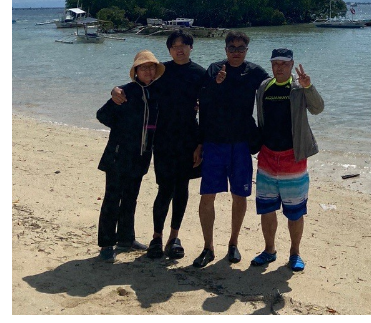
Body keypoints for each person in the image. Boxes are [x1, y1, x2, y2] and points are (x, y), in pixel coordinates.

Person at [110, 29, 206, 260]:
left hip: (188, 139)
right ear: (169, 50)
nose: (179, 49)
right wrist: (115, 90)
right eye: (174, 46)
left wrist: (200, 144)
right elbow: (138, 87)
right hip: (162, 139)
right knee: (164, 189)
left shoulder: (200, 74)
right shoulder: (161, 72)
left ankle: (174, 238)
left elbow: (207, 110)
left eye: (183, 45)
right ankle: (157, 237)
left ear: (191, 47)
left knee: (182, 189)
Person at [192, 31, 269, 267]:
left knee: (240, 195)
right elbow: (202, 104)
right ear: (225, 50)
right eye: (232, 48)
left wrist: (301, 89)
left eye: (240, 48)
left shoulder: (254, 72)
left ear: (247, 50)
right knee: (208, 196)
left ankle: (233, 243)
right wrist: (199, 142)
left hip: (241, 144)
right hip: (214, 142)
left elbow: (276, 88)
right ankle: (208, 247)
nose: (236, 52)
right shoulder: (214, 69)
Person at [251, 48, 324, 273]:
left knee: (295, 211)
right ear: (271, 65)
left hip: (293, 158)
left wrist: (309, 87)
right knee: (266, 209)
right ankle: (269, 250)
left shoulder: (299, 88)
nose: (279, 67)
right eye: (276, 63)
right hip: (267, 157)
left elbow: (318, 108)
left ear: (292, 65)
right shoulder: (264, 87)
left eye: (284, 63)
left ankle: (295, 253)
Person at [96, 49, 165, 263]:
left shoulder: (156, 93)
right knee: (112, 199)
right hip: (118, 155)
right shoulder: (124, 92)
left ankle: (126, 238)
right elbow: (102, 115)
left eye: (152, 67)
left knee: (130, 198)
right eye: (144, 67)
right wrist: (122, 130)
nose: (148, 71)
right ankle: (107, 243)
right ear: (136, 71)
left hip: (141, 155)